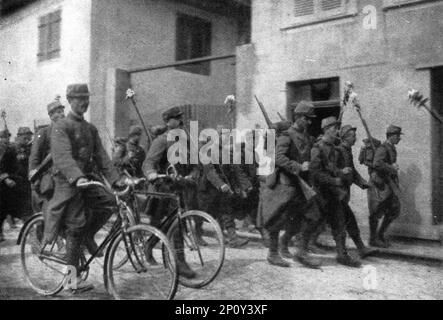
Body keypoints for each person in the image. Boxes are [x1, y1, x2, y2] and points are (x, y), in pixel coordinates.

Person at [45, 83, 125, 292]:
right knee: (75, 226)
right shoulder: (61, 126)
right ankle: (71, 280)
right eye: (79, 99)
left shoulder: (90, 129)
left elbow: (102, 158)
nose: (84, 102)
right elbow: (62, 156)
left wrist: (116, 180)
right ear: (70, 100)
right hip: (66, 181)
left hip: (86, 180)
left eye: (86, 98)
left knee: (110, 202)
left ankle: (89, 235)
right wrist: (77, 177)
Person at [257, 101, 322, 268]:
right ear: (299, 117)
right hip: (286, 185)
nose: (309, 122)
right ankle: (272, 253)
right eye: (307, 119)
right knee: (278, 219)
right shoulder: (287, 135)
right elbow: (279, 157)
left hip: (301, 186)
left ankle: (300, 251)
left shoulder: (305, 136)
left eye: (310, 119)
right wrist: (298, 167)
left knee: (312, 216)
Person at [143, 106, 199, 279]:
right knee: (159, 225)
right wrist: (152, 174)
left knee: (177, 224)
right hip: (161, 189)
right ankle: (149, 246)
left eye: (180, 118)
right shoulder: (161, 141)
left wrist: (192, 174)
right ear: (168, 122)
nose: (179, 121)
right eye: (176, 119)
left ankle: (180, 263)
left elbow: (195, 163)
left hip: (177, 188)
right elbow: (148, 163)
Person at [310, 116, 362, 268]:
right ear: (326, 130)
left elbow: (332, 169)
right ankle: (299, 249)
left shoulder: (333, 149)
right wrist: (335, 180)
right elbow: (316, 173)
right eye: (334, 128)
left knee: (339, 223)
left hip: (332, 192)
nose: (337, 131)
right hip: (320, 193)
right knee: (312, 222)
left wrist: (340, 172)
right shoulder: (318, 148)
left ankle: (342, 254)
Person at [197, 136, 252, 249]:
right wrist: (220, 184)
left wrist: (245, 184)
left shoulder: (224, 151)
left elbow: (235, 168)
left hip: (222, 187)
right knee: (202, 213)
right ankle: (197, 234)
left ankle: (232, 239)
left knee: (226, 211)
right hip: (208, 188)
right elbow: (209, 171)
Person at [336, 125, 377, 258]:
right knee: (343, 221)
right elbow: (332, 170)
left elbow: (352, 170)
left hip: (343, 192)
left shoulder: (347, 150)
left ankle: (360, 249)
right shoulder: (338, 151)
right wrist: (341, 174)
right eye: (353, 136)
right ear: (345, 138)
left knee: (345, 220)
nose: (355, 138)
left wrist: (363, 183)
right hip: (337, 192)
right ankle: (347, 253)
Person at [367, 125, 403, 248]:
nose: (399, 138)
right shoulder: (383, 148)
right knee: (376, 210)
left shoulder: (391, 148)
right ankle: (373, 239)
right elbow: (377, 163)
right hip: (379, 184)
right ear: (392, 136)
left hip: (388, 184)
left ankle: (380, 234)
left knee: (394, 209)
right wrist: (391, 168)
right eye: (398, 136)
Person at [29, 97, 65, 215]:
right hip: (47, 181)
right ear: (51, 116)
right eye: (58, 112)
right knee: (45, 218)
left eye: (62, 111)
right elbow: (34, 159)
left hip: (64, 180)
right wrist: (34, 181)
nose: (62, 114)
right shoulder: (43, 133)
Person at [13, 127, 34, 223]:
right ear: (19, 136)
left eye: (29, 135)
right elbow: (21, 159)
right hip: (18, 180)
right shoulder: (15, 147)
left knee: (28, 204)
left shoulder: (29, 146)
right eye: (25, 136)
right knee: (24, 205)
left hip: (27, 179)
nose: (28, 138)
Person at [0, 129, 17, 242]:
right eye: (4, 137)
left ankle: (10, 223)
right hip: (2, 180)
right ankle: (0, 232)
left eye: (7, 137)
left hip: (7, 182)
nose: (6, 139)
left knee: (5, 207)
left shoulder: (10, 149)